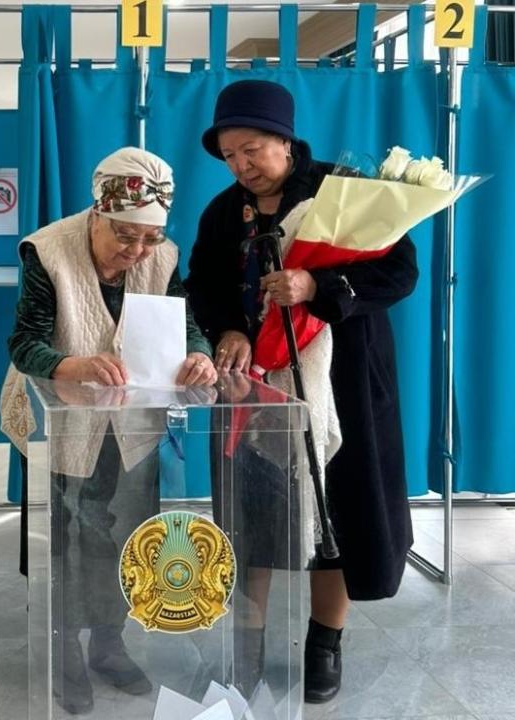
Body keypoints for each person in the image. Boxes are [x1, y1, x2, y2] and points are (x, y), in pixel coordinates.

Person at [185, 80, 419, 704]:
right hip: (253, 383)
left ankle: (325, 644)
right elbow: (202, 285)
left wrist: (318, 287)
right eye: (229, 155)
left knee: (337, 507)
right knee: (252, 512)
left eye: (251, 149)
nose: (241, 165)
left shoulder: (346, 193)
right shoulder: (222, 212)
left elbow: (400, 272)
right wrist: (230, 329)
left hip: (342, 383)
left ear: (285, 140)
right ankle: (248, 645)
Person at [0, 146, 216, 714]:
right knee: (68, 536)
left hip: (131, 423)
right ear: (98, 213)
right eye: (125, 236)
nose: (137, 251)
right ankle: (63, 647)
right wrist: (72, 365)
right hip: (63, 421)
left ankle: (109, 643)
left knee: (125, 534)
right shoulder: (48, 251)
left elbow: (187, 325)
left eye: (149, 238)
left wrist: (198, 354)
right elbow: (24, 343)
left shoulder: (162, 256)